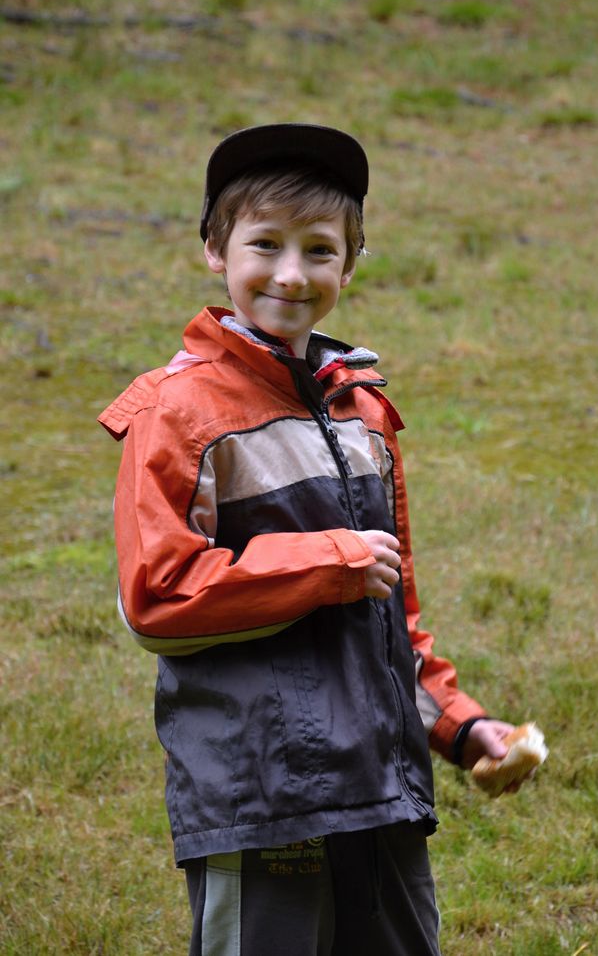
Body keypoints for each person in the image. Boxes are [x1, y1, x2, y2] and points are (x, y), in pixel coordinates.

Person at [99, 123, 518, 956]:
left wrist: (458, 725)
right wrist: (330, 562)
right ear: (214, 250)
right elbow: (156, 599)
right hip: (261, 793)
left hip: (381, 787)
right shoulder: (175, 414)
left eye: (320, 250)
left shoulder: (362, 412)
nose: (292, 273)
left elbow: (390, 615)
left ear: (349, 265)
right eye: (265, 244)